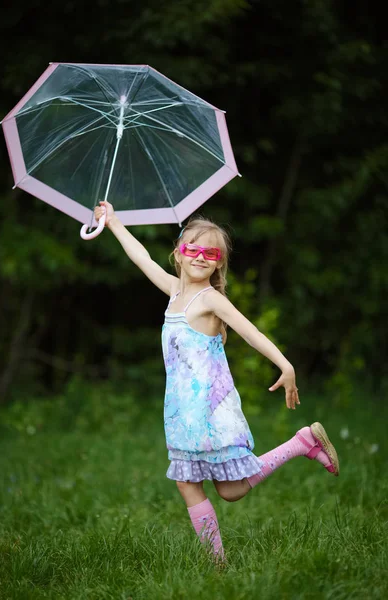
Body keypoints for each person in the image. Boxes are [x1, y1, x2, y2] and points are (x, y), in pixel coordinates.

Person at [94, 200, 339, 562]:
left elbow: (251, 332)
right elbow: (142, 258)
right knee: (203, 486)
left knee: (226, 489)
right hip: (181, 413)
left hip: (209, 412)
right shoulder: (174, 292)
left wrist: (285, 365)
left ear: (219, 261)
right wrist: (113, 223)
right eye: (191, 248)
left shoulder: (212, 300)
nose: (200, 256)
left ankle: (300, 445)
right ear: (178, 254)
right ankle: (219, 563)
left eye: (210, 252)